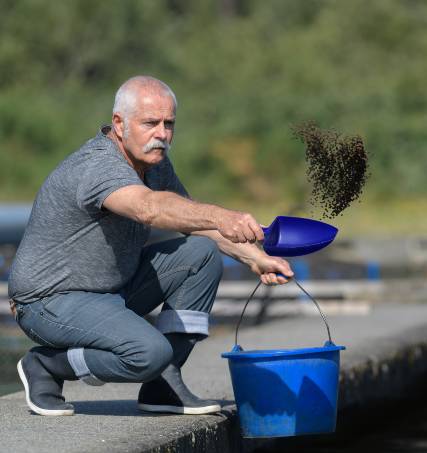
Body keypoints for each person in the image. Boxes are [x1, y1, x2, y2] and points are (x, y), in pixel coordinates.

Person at [8, 75, 294, 416]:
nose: (162, 134)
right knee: (147, 353)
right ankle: (48, 365)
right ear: (119, 123)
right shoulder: (98, 166)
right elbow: (149, 207)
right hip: (49, 301)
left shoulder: (154, 164)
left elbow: (197, 225)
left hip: (113, 289)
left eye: (168, 123)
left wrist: (256, 259)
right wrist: (221, 215)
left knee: (200, 256)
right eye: (150, 123)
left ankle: (163, 387)